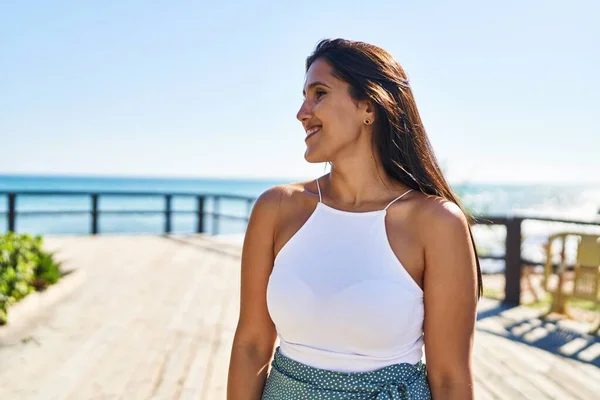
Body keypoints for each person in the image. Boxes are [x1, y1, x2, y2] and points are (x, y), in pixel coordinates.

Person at [227, 38, 481, 400]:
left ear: (368, 106)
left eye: (319, 93)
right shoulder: (277, 208)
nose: (302, 112)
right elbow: (251, 344)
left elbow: (450, 376)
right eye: (304, 95)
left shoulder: (435, 222)